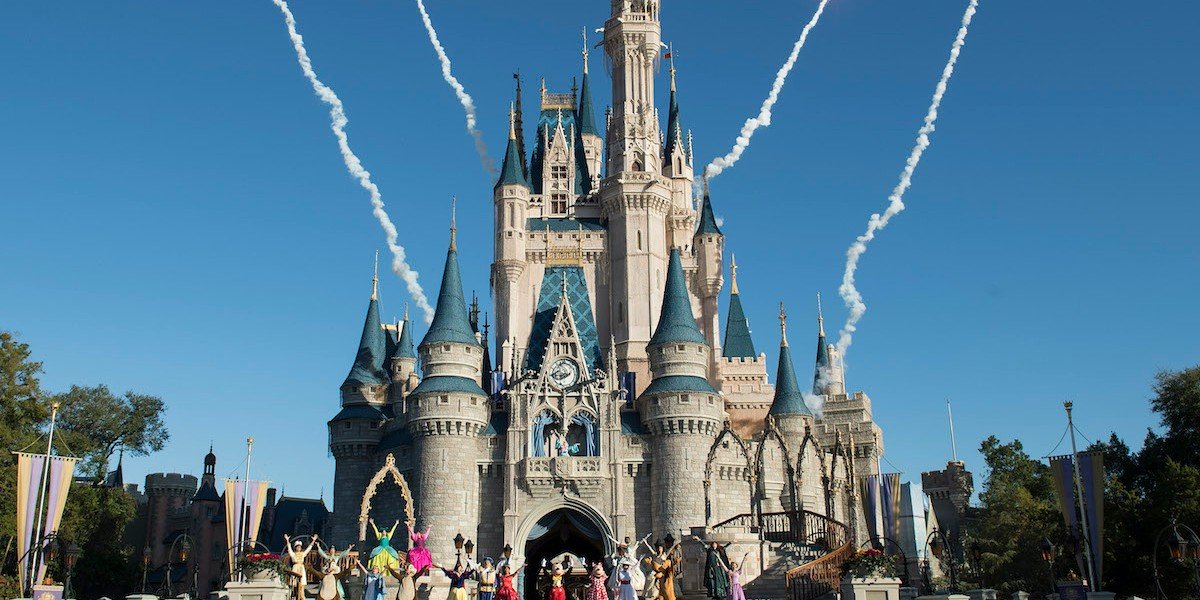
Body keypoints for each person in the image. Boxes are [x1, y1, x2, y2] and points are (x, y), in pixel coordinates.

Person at [691, 536, 730, 600]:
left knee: (720, 581)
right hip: (712, 569)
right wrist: (699, 539)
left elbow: (725, 547)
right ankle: (714, 594)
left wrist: (730, 543)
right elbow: (704, 545)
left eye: (715, 544)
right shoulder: (709, 550)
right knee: (713, 582)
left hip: (719, 568)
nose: (714, 545)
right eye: (713, 544)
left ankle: (721, 594)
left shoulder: (719, 550)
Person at [284, 534, 318, 600]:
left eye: (299, 547)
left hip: (301, 568)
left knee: (302, 583)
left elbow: (308, 549)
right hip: (295, 567)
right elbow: (289, 548)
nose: (298, 548)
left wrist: (313, 541)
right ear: (295, 548)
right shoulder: (293, 554)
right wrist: (287, 540)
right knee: (294, 583)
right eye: (297, 547)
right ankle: (293, 596)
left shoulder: (303, 554)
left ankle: (302, 596)